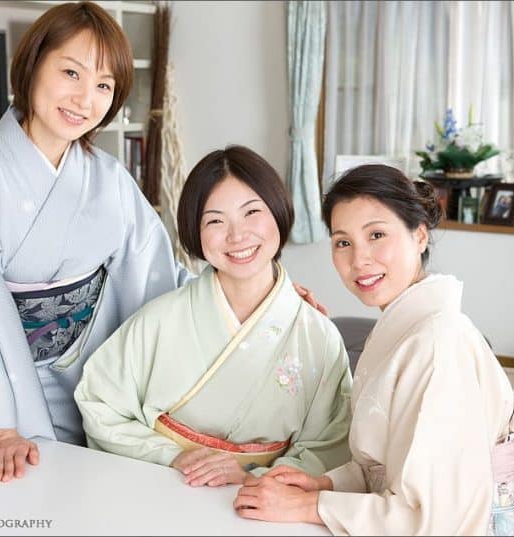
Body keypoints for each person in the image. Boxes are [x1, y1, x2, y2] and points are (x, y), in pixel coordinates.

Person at [0, 2, 191, 482]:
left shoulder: (109, 179)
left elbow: (159, 273)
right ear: (32, 63)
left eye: (104, 86)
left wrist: (253, 294)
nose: (86, 99)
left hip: (98, 385)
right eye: (71, 72)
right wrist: (1, 430)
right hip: (7, 392)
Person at [234, 165, 514, 535]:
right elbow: (392, 463)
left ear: (420, 236)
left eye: (377, 234)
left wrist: (309, 505)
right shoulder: (403, 329)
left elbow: (436, 516)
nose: (359, 259)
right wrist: (327, 484)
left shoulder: (438, 343)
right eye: (342, 242)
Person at [74, 145, 353, 486]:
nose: (237, 235)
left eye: (252, 213)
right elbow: (99, 402)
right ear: (196, 231)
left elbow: (329, 447)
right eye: (216, 220)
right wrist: (173, 455)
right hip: (165, 485)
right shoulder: (159, 319)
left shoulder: (318, 336)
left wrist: (253, 480)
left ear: (278, 211)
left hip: (265, 504)